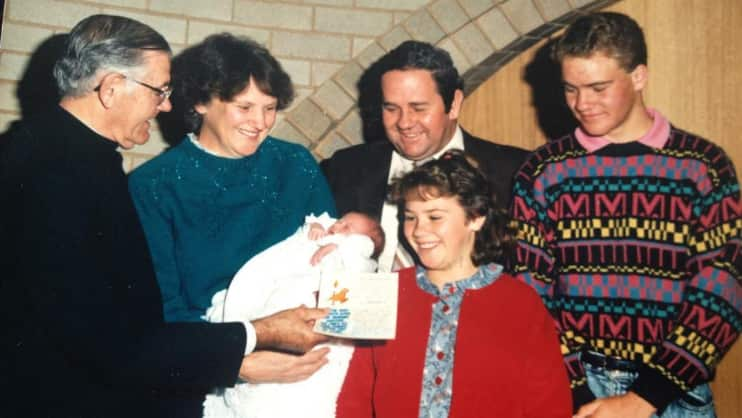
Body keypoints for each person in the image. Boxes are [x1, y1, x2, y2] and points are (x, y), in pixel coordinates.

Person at [0, 15, 331, 418]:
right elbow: (107, 338)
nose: (167, 105)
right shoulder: (53, 173)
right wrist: (254, 340)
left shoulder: (65, 154)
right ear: (111, 88)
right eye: (159, 90)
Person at [511, 12, 742, 418]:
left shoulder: (703, 166)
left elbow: (722, 292)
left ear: (639, 77)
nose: (582, 104)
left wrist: (645, 398)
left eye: (598, 87)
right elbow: (531, 296)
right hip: (574, 387)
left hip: (676, 394)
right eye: (570, 89)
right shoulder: (543, 171)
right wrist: (580, 394)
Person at [336, 150, 571, 417]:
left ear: (476, 217)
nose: (419, 230)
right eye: (411, 217)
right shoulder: (384, 291)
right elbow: (355, 399)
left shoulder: (521, 302)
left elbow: (550, 405)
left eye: (435, 217)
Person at [128, 33, 336, 324]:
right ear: (201, 102)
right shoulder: (153, 186)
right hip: (210, 353)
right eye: (245, 107)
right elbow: (163, 308)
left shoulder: (295, 163)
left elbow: (337, 262)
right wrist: (243, 358)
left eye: (270, 108)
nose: (261, 123)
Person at [321, 40, 529, 272]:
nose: (404, 122)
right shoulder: (344, 168)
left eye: (418, 108)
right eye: (391, 109)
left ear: (454, 104)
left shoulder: (516, 173)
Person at [202, 211, 384, 418]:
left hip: (317, 308)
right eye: (341, 221)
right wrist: (315, 228)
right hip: (286, 295)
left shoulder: (354, 251)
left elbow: (361, 260)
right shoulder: (321, 234)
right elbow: (294, 249)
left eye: (348, 228)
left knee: (299, 386)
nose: (339, 227)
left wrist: (342, 248)